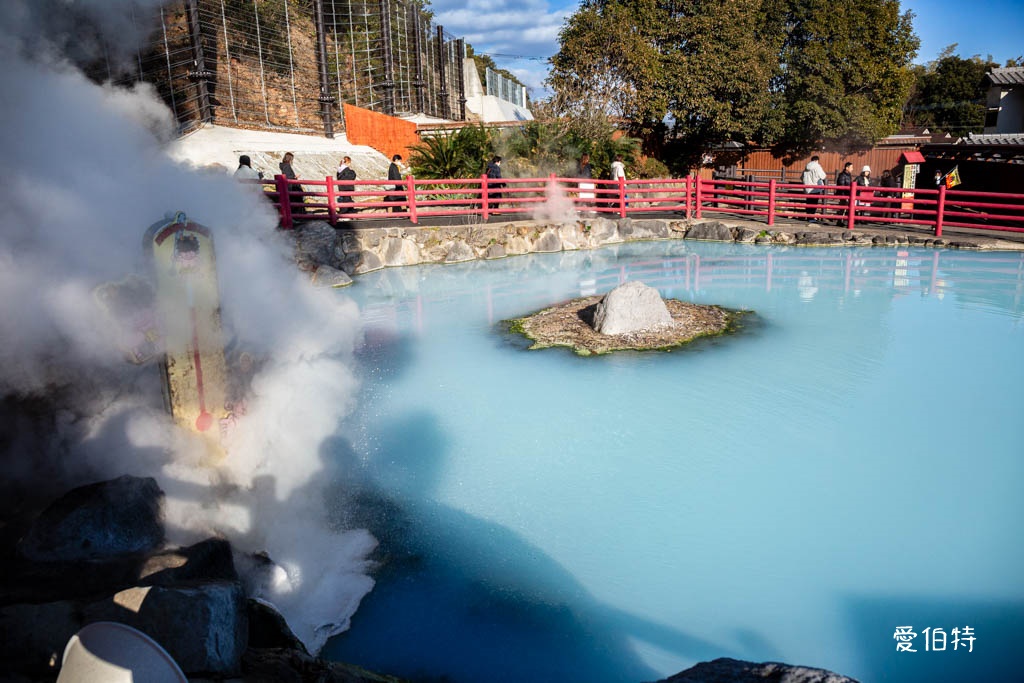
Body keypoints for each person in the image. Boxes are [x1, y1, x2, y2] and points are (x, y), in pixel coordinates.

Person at [801, 155, 827, 219]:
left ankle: (808, 216)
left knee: (809, 203)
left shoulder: (806, 167)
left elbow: (802, 177)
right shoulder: (817, 166)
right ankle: (811, 217)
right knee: (814, 203)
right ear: (816, 160)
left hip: (807, 189)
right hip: (815, 188)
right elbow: (823, 176)